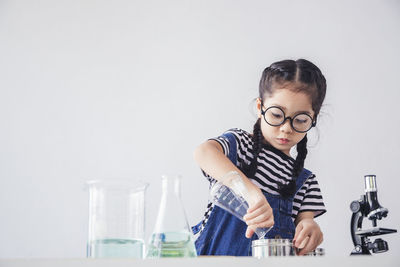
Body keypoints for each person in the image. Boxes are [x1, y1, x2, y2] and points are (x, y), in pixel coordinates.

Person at [192, 59, 327, 256]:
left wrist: (310, 230)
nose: (286, 128)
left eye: (300, 120)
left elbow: (305, 222)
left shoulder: (305, 181)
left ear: (313, 119)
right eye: (276, 115)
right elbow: (204, 152)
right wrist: (251, 193)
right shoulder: (240, 147)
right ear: (260, 107)